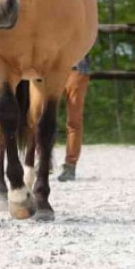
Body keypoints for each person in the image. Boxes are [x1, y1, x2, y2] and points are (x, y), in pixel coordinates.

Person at [56, 54, 91, 182]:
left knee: (74, 120)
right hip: (51, 69)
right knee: (41, 117)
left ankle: (70, 165)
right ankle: (43, 159)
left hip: (76, 69)